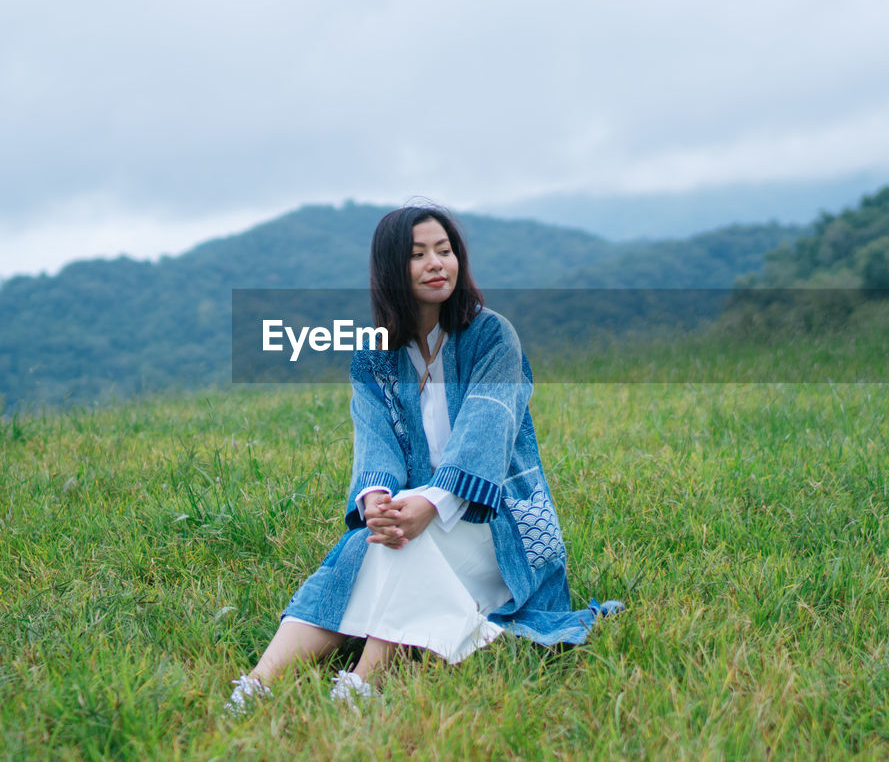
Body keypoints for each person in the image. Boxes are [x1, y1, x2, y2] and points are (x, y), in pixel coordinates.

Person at [226, 204, 621, 713]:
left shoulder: (493, 336)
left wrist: (428, 506)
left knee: (400, 545)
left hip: (498, 518)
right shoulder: (374, 357)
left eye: (445, 250)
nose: (438, 263)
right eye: (418, 255)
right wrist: (377, 501)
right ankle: (256, 684)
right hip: (414, 511)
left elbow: (488, 430)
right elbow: (374, 444)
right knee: (362, 548)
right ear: (392, 269)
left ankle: (360, 684)